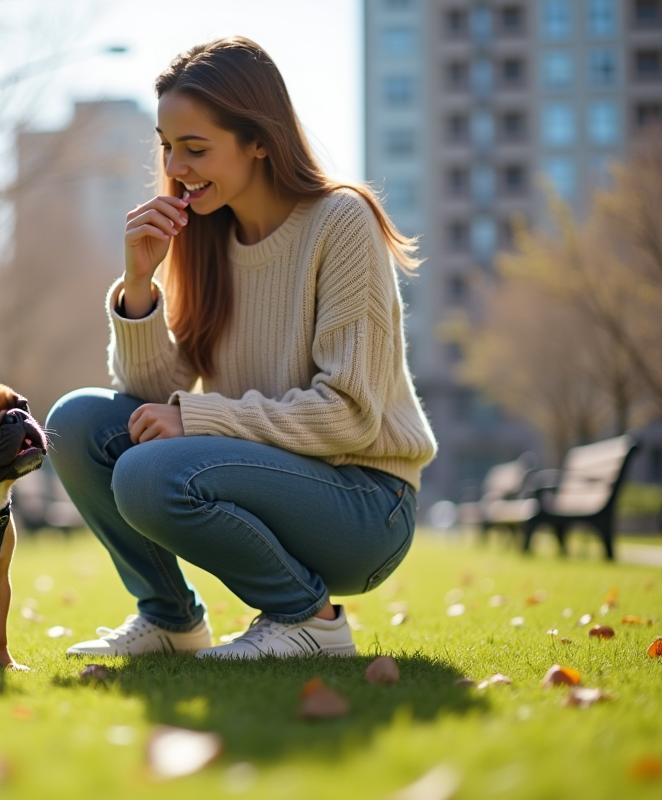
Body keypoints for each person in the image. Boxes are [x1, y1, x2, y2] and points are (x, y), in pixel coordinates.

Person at [45, 37, 437, 660]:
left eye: (196, 148)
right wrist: (141, 286)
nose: (176, 167)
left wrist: (196, 418)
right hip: (268, 475)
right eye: (168, 146)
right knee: (76, 422)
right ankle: (170, 621)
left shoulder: (341, 222)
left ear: (260, 139)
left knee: (149, 474)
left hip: (365, 504)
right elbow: (147, 400)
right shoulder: (204, 238)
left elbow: (349, 414)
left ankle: (311, 619)